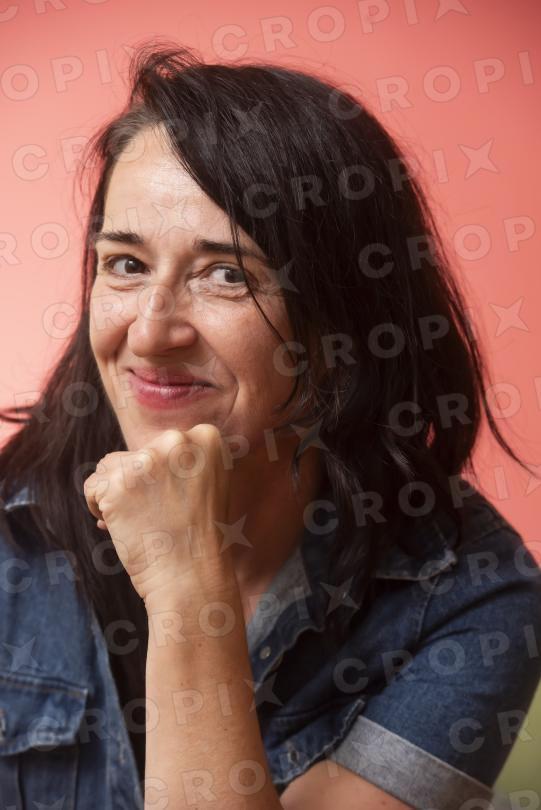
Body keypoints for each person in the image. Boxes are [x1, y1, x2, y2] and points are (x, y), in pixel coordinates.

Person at [0, 39, 540, 810]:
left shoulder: (471, 600)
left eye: (226, 275)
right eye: (126, 264)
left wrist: (188, 590)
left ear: (341, 323)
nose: (150, 333)